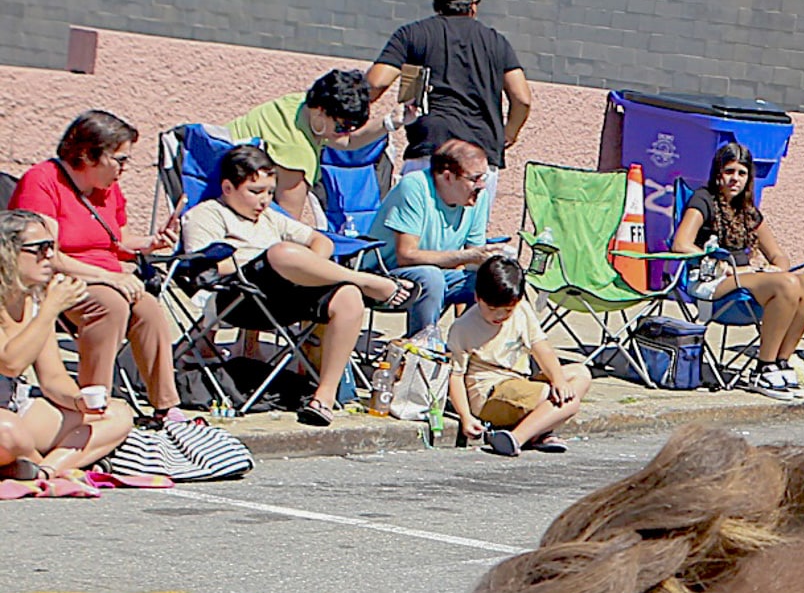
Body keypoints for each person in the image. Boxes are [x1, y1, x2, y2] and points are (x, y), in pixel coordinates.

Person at [181, 146, 414, 426]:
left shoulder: (270, 217)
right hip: (241, 299)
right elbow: (204, 267)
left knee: (348, 296)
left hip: (287, 294)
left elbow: (321, 241)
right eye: (255, 191)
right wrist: (261, 257)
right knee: (282, 252)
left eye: (270, 192)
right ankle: (365, 280)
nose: (264, 200)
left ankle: (324, 397)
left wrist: (311, 264)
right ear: (228, 188)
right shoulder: (206, 215)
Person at [10, 111, 185, 422]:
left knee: (148, 308)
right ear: (89, 155)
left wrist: (151, 243)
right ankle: (93, 401)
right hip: (60, 277)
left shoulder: (107, 188)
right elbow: (48, 255)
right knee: (109, 304)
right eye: (120, 160)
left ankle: (165, 407)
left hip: (107, 275)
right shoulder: (43, 181)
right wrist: (110, 278)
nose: (124, 169)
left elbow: (119, 240)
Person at [669, 141, 804, 399]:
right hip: (711, 280)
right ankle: (763, 368)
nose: (735, 179)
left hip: (745, 277)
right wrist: (716, 261)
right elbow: (680, 243)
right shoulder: (703, 199)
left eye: (741, 173)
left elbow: (778, 255)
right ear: (718, 173)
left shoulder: (748, 211)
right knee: (786, 285)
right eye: (729, 171)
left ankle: (781, 360)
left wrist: (775, 268)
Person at [0, 209, 135, 487]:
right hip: (7, 424)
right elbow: (9, 363)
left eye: (52, 246)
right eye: (40, 248)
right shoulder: (42, 305)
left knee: (118, 414)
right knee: (7, 432)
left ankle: (43, 471)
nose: (51, 256)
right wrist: (51, 309)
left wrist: (77, 400)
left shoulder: (33, 300)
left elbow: (52, 377)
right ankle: (32, 462)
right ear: (8, 254)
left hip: (14, 406)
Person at [365, 0, 533, 186]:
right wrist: (508, 133)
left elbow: (376, 82)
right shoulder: (497, 42)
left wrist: (349, 120)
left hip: (430, 147)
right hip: (480, 155)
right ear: (474, 3)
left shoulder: (412, 35)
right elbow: (522, 99)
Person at [445, 255, 589, 457]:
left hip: (520, 383)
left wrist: (558, 379)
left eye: (507, 310)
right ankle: (517, 438)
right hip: (490, 393)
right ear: (477, 297)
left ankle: (535, 432)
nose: (499, 316)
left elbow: (541, 347)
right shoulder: (463, 327)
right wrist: (466, 416)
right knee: (567, 401)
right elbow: (456, 376)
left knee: (580, 374)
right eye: (492, 309)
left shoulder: (522, 311)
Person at [225, 69, 399, 226]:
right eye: (341, 127)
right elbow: (288, 223)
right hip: (233, 215)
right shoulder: (296, 153)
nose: (345, 132)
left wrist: (389, 122)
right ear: (321, 111)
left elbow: (348, 141)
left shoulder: (297, 104)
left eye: (351, 127)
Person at [368, 139, 496, 338]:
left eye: (484, 177)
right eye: (475, 178)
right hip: (384, 274)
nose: (482, 185)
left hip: (437, 274)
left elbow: (473, 260)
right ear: (447, 177)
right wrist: (466, 256)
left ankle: (473, 345)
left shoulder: (478, 199)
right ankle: (421, 348)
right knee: (431, 277)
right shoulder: (415, 187)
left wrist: (492, 261)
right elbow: (406, 255)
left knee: (493, 281)